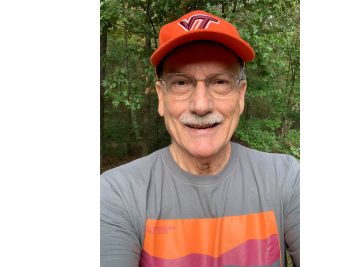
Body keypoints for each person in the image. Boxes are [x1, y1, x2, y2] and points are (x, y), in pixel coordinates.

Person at [101, 10, 300, 267]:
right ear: (161, 97)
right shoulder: (116, 194)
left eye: (220, 82)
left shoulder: (286, 178)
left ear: (241, 96)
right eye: (181, 83)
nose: (201, 105)